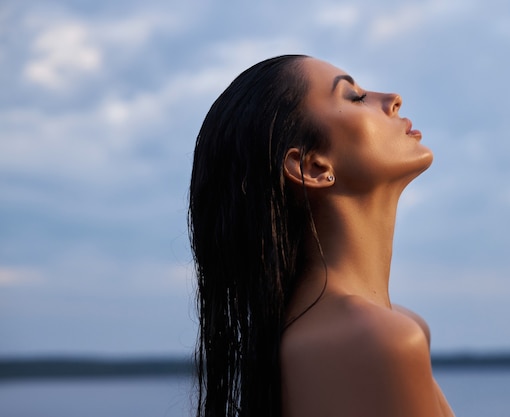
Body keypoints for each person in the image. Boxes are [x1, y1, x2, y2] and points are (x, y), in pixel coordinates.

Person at [188, 54, 454, 417]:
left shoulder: (370, 330)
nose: (392, 99)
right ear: (312, 167)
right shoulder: (374, 341)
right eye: (355, 97)